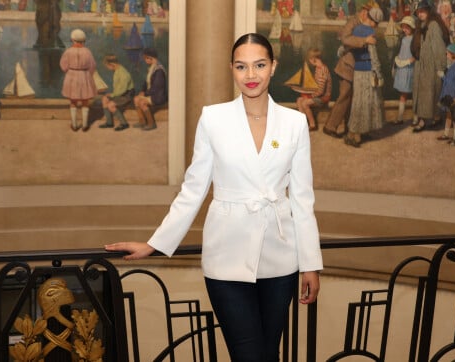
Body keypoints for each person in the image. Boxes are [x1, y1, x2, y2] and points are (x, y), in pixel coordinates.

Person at [105, 33, 323, 361]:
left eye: (259, 65)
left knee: (268, 354)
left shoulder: (294, 124)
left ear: (273, 67)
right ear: (232, 70)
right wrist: (156, 242)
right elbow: (194, 188)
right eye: (242, 66)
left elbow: (303, 199)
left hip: (281, 259)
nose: (251, 75)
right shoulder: (213, 118)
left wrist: (310, 264)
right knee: (249, 355)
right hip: (226, 259)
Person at [322, 3, 377, 138]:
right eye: (370, 15)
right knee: (344, 96)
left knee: (353, 98)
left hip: (357, 67)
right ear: (364, 12)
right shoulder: (353, 22)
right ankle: (330, 126)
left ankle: (350, 127)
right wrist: (365, 40)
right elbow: (345, 39)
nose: (371, 19)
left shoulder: (364, 24)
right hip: (347, 66)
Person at [344, 6, 385, 148]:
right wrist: (378, 72)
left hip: (357, 69)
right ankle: (356, 135)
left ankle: (355, 132)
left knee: (358, 102)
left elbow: (347, 46)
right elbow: (373, 56)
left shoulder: (356, 30)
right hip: (368, 70)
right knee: (368, 102)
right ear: (374, 21)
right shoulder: (370, 32)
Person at [410, 0, 449, 132]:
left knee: (430, 92)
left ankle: (427, 120)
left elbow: (438, 47)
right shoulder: (420, 25)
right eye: (418, 12)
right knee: (423, 92)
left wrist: (440, 67)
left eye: (422, 11)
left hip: (431, 65)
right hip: (421, 64)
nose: (420, 14)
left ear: (428, 11)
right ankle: (429, 118)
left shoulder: (433, 25)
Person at [59, 29, 97, 132]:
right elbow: (92, 66)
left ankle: (74, 124)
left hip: (71, 76)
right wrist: (88, 74)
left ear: (73, 40)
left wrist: (69, 71)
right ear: (83, 40)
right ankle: (85, 125)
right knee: (85, 101)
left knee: (73, 101)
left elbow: (63, 66)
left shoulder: (68, 51)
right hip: (84, 75)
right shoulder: (87, 51)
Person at [295, 47, 332, 131]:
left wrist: (309, 96)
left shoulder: (323, 71)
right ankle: (303, 123)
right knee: (299, 100)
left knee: (304, 103)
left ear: (314, 59)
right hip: (317, 95)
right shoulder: (318, 68)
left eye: (310, 60)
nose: (310, 62)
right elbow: (316, 86)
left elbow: (321, 91)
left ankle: (312, 125)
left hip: (323, 98)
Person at [132, 47, 167, 131]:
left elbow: (156, 87)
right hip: (151, 94)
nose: (145, 60)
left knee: (141, 102)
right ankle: (142, 121)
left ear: (150, 57)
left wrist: (145, 94)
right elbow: (146, 82)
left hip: (158, 96)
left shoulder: (159, 70)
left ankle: (151, 123)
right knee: (136, 99)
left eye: (146, 58)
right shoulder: (152, 68)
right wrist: (142, 91)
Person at [98, 54, 135, 131]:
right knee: (104, 99)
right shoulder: (117, 70)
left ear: (111, 64)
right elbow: (118, 88)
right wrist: (111, 95)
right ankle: (109, 123)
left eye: (107, 66)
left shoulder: (123, 74)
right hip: (120, 94)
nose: (107, 68)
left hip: (127, 95)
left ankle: (124, 123)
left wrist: (112, 95)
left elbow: (122, 90)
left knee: (111, 105)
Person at [437, 43, 455, 141]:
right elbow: (449, 80)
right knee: (449, 115)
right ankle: (446, 134)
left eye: (447, 53)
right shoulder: (452, 65)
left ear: (453, 54)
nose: (446, 55)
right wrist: (443, 76)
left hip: (453, 97)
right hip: (448, 94)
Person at [392, 15, 416, 125]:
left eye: (407, 27)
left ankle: (416, 118)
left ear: (412, 28)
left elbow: (415, 55)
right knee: (403, 94)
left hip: (410, 69)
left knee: (414, 93)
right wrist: (397, 62)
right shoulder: (403, 39)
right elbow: (400, 52)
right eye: (403, 27)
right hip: (402, 68)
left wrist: (410, 60)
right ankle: (400, 117)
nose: (405, 30)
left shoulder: (414, 40)